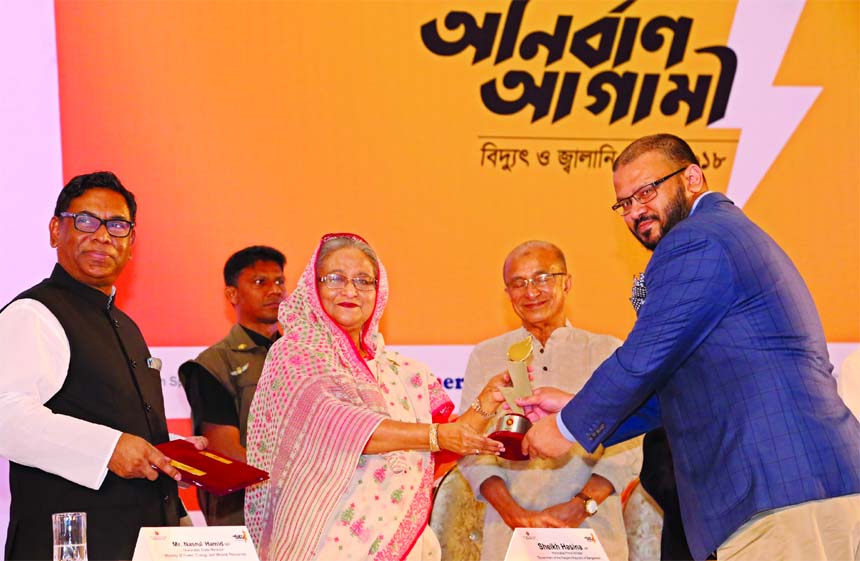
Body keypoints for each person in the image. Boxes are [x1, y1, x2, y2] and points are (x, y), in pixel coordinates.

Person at [521, 134, 860, 561]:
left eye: (646, 192)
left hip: (779, 489)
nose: (635, 211)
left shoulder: (696, 240)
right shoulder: (724, 235)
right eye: (623, 203)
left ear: (693, 177)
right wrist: (575, 404)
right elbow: (681, 387)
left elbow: (642, 358)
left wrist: (566, 427)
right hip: (805, 488)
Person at [245, 233, 508, 561]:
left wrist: (487, 403)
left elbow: (442, 449)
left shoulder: (403, 372)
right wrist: (438, 435)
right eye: (336, 279)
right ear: (313, 288)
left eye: (363, 280)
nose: (351, 290)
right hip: (322, 544)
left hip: (400, 546)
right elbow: (339, 426)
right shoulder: (295, 354)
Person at [0, 171, 206, 560]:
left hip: (141, 545)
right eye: (86, 221)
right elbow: (4, 415)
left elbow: (113, 423)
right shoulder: (34, 313)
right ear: (54, 230)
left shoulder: (126, 327)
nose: (103, 235)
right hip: (67, 547)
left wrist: (164, 452)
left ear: (131, 243)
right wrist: (109, 448)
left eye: (117, 225)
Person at [458, 241, 642, 561]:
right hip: (510, 535)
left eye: (543, 278)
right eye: (519, 283)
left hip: (592, 531)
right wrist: (513, 513)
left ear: (566, 283)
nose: (531, 292)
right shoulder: (486, 356)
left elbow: (629, 445)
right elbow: (472, 447)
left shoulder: (607, 351)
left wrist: (580, 505)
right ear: (508, 294)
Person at [179, 245, 286, 525]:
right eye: (260, 282)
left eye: (279, 281)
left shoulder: (304, 356)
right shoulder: (212, 364)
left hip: (307, 521)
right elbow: (224, 451)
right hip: (242, 520)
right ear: (232, 294)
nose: (275, 290)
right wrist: (295, 480)